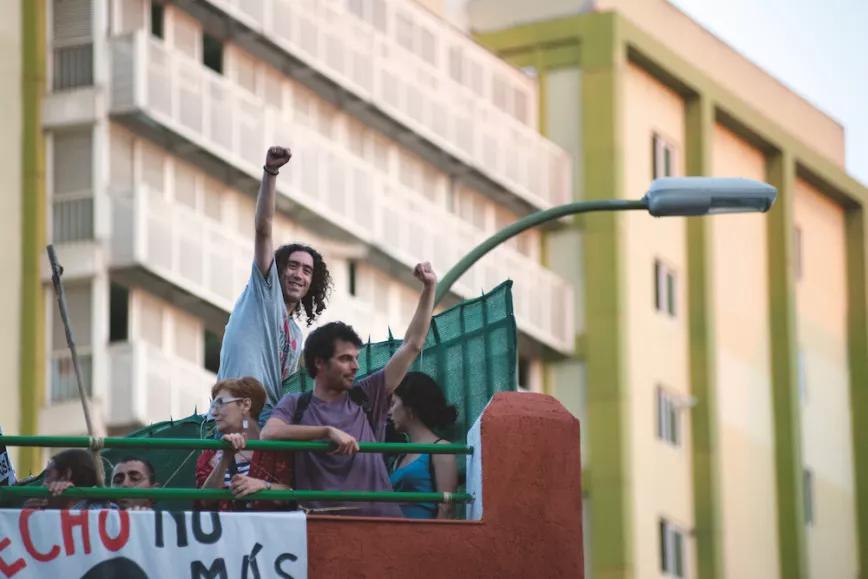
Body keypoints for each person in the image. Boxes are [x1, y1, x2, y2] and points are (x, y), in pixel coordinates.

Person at [262, 262, 437, 517]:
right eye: (345, 359)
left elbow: (412, 344)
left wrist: (430, 287)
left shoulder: (367, 394)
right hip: (325, 529)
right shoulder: (296, 403)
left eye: (356, 358)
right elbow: (269, 434)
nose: (355, 366)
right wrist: (327, 432)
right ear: (319, 363)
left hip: (380, 525)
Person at [217, 146, 332, 422]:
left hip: (267, 418)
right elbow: (263, 229)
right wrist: (271, 172)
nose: (298, 274)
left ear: (312, 283)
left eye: (306, 271)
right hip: (233, 408)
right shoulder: (264, 293)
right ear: (277, 271)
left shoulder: (296, 335)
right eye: (292, 266)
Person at [196, 377, 293, 511]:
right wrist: (225, 459)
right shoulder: (208, 455)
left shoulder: (273, 450)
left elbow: (290, 493)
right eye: (213, 405)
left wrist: (263, 485)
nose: (213, 413)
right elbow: (205, 501)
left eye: (221, 403)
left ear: (245, 405)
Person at [388, 372, 458, 519]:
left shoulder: (441, 449)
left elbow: (446, 508)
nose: (389, 412)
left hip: (425, 532)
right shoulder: (399, 457)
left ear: (410, 407)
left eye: (393, 404)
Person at [23, 449, 115, 510]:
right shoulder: (38, 510)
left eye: (48, 475)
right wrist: (27, 517)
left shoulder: (100, 510)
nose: (43, 485)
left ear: (66, 475)